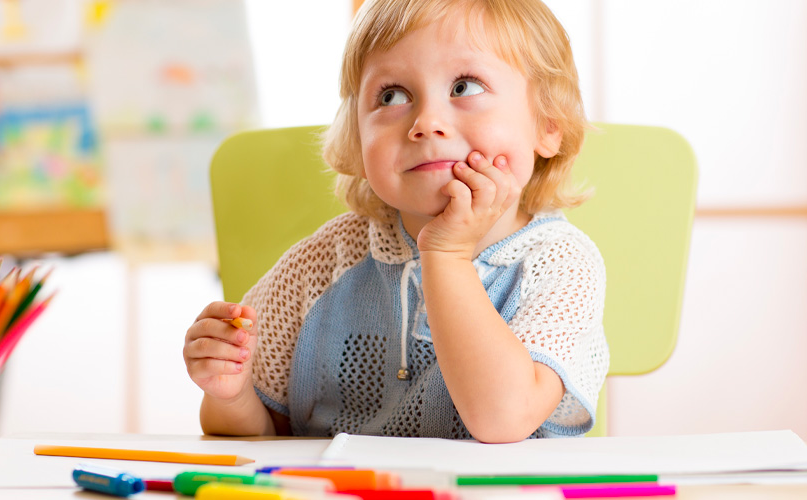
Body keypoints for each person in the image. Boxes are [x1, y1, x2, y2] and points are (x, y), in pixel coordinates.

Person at [184, 0, 609, 443]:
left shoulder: (562, 265)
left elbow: (501, 420)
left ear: (548, 125)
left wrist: (446, 254)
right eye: (392, 96)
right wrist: (230, 397)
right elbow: (265, 433)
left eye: (464, 87)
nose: (426, 123)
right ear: (358, 137)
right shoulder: (322, 263)